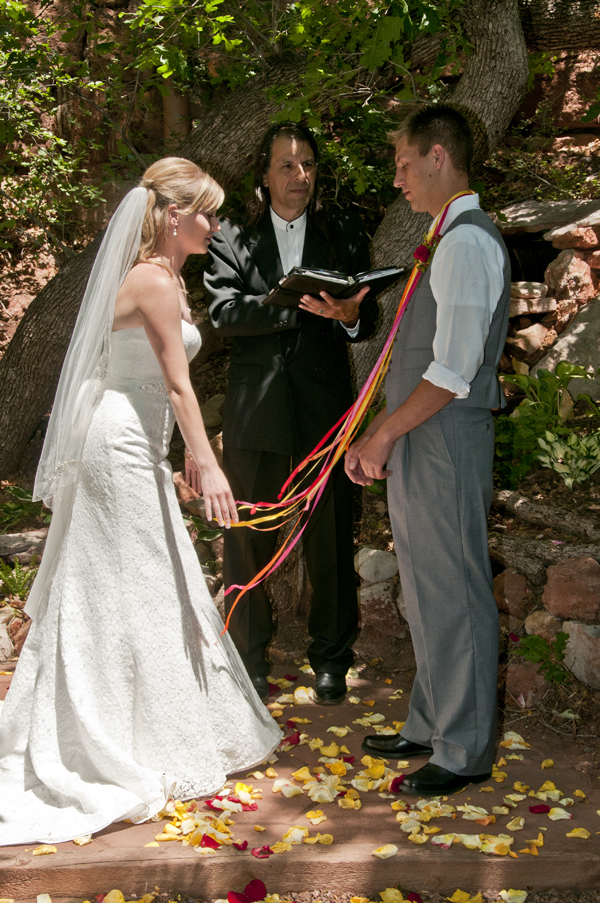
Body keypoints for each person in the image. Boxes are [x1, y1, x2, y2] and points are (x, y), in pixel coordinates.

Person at [0, 158, 281, 846]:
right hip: (117, 445)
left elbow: (160, 385)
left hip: (136, 439)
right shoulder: (152, 281)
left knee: (144, 581)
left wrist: (181, 452)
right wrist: (210, 465)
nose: (215, 226)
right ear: (174, 215)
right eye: (207, 213)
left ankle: (144, 726)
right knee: (139, 581)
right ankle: (114, 738)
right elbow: (181, 387)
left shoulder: (165, 277)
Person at [346, 105, 510, 796]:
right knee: (424, 584)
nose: (398, 178)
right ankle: (431, 719)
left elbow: (453, 369)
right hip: (422, 436)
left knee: (454, 586)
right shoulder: (445, 240)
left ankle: (464, 747)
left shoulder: (467, 244)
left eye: (404, 163)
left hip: (441, 437)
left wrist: (382, 430)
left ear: (439, 156)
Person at [197, 122, 379, 705]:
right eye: (286, 166)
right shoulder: (231, 237)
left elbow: (365, 323)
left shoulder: (345, 230)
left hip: (326, 408)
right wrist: (291, 308)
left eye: (308, 165)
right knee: (247, 533)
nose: (300, 177)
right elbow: (223, 314)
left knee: (329, 534)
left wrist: (348, 315)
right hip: (257, 409)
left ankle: (331, 657)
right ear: (264, 175)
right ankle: (250, 658)